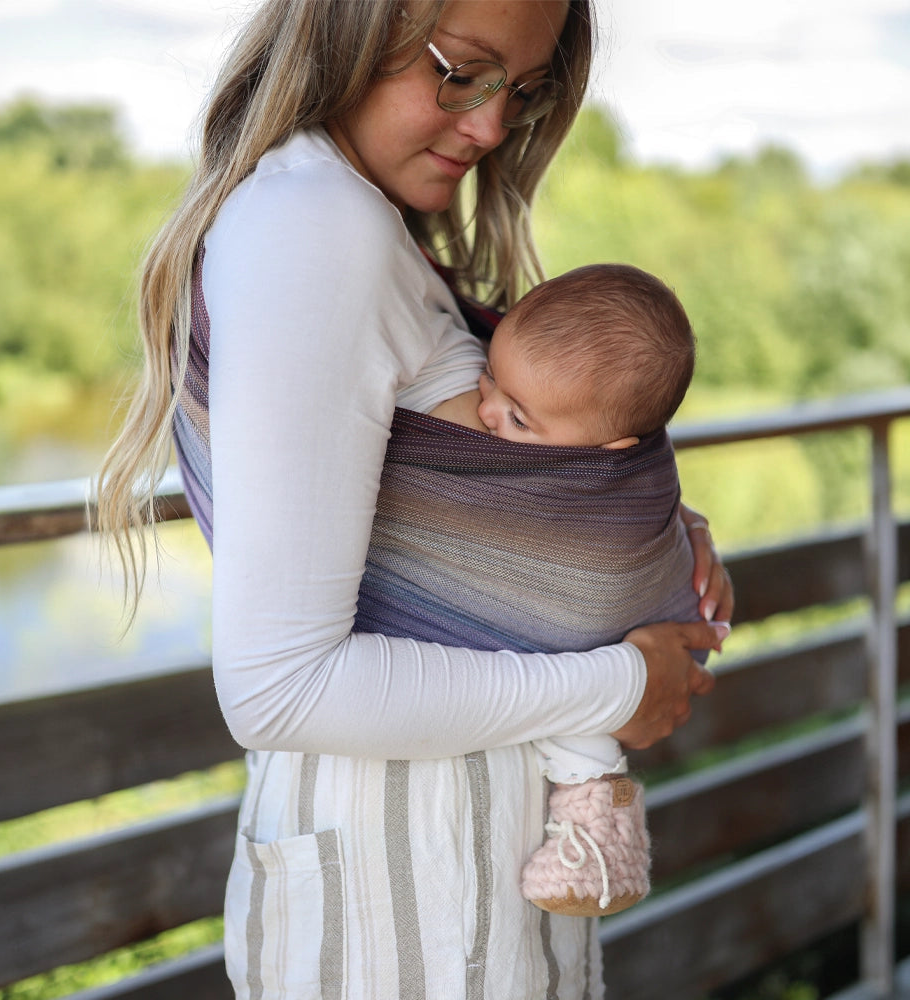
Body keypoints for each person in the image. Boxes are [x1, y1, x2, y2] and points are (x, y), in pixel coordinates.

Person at [96, 2, 734, 997]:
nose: (488, 128)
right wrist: (618, 681)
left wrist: (636, 527)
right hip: (411, 898)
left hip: (454, 876)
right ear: (348, 25)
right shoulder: (312, 227)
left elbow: (495, 487)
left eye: (518, 92)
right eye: (458, 70)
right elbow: (278, 688)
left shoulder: (356, 220)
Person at [360, 261, 711, 918]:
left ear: (614, 447)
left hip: (613, 645)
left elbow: (617, 540)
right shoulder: (447, 348)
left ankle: (599, 823)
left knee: (569, 645)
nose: (488, 410)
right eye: (488, 378)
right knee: (561, 651)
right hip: (517, 721)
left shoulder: (608, 466)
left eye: (519, 420)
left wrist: (682, 523)